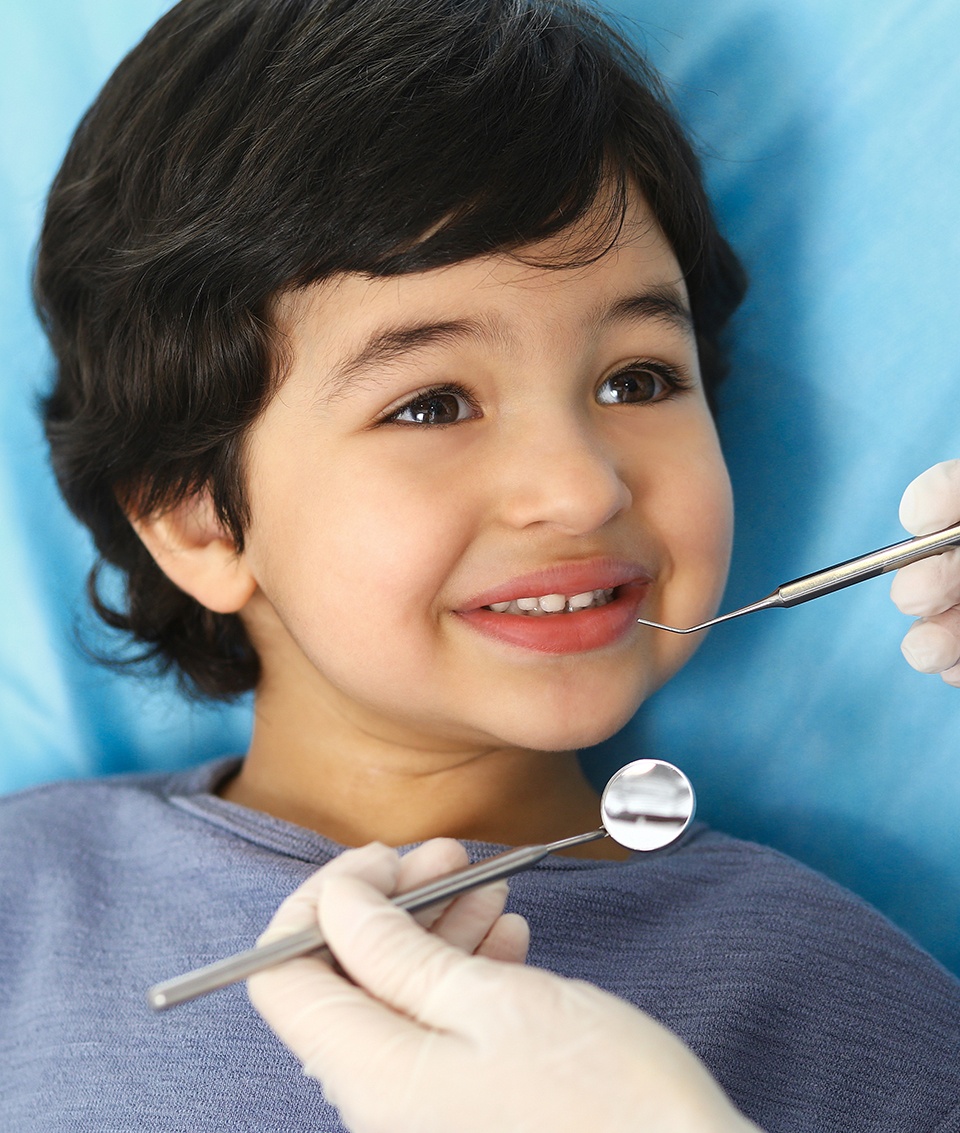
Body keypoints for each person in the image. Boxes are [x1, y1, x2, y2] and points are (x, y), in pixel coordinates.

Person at [1, 1, 958, 1130]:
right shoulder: (28, 899)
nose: (582, 486)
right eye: (433, 401)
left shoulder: (842, 993)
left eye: (639, 379)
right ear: (199, 517)